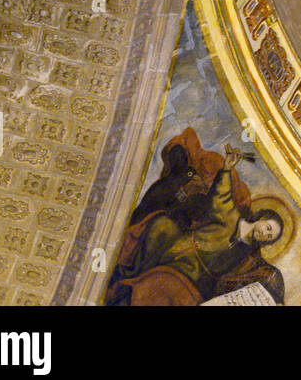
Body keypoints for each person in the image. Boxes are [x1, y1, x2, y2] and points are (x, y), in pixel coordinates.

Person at [105, 130, 286, 305]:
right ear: (261, 218)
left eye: (270, 237)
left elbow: (257, 275)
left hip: (198, 280)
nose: (265, 234)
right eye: (268, 228)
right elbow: (221, 195)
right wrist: (227, 167)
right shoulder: (232, 215)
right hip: (182, 249)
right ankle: (127, 280)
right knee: (160, 230)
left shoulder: (248, 255)